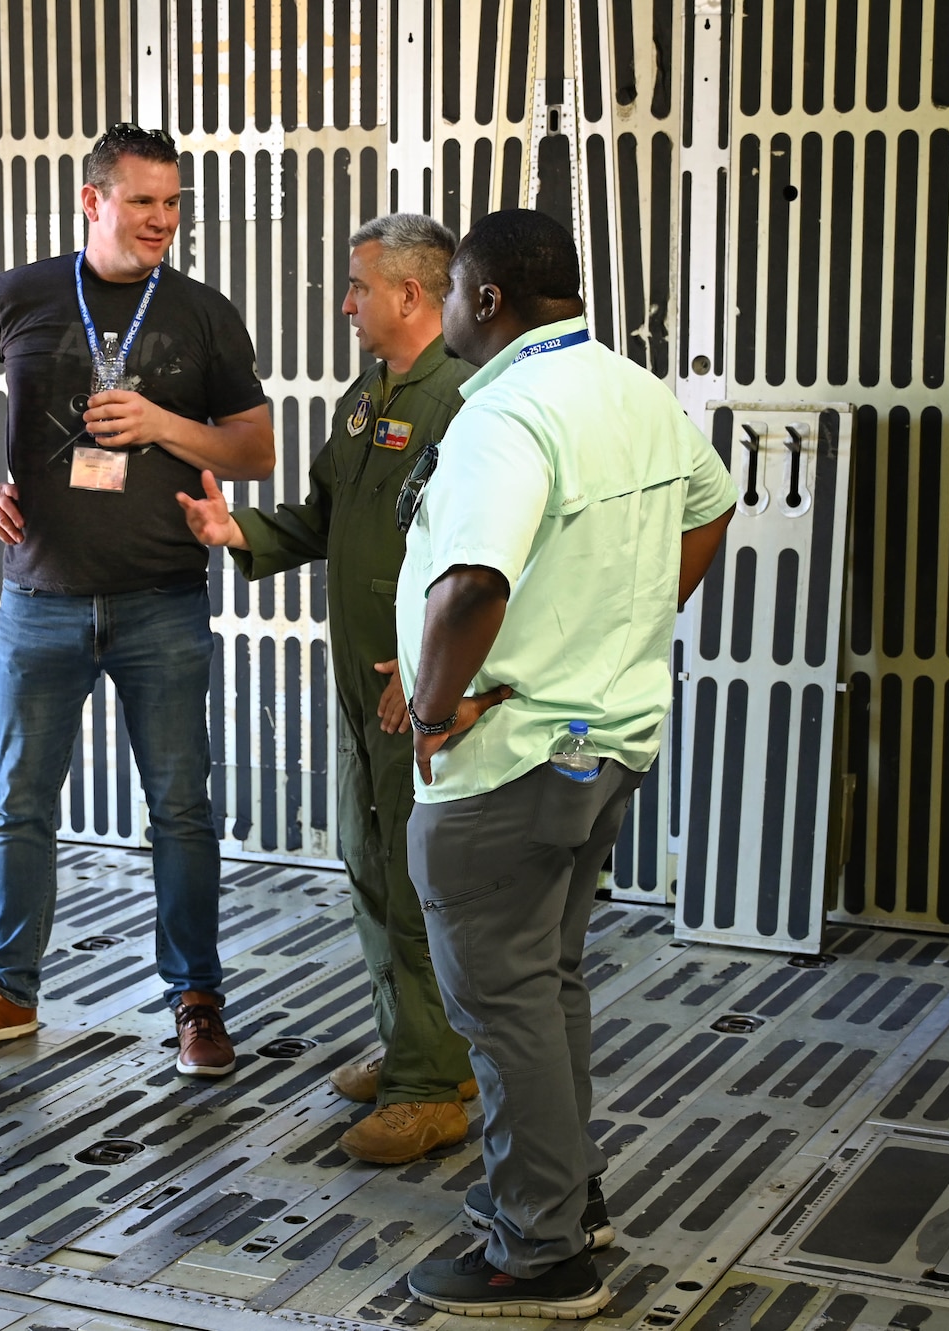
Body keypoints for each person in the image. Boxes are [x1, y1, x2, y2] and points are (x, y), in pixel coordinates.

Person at [393, 209, 736, 1318]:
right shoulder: (632, 390)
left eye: (448, 290)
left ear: (485, 299)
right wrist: (621, 629)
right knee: (547, 986)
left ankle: (538, 1250)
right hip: (601, 746)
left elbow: (471, 584)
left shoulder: (506, 411)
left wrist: (434, 710)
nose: (440, 310)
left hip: (509, 758)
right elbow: (710, 505)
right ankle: (566, 1199)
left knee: (500, 1003)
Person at [0, 125, 274, 1076]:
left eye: (174, 202)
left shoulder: (201, 312)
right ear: (93, 200)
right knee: (21, 803)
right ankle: (7, 992)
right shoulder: (23, 294)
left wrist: (160, 423)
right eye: (145, 201)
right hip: (43, 599)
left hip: (163, 599)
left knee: (181, 809)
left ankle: (196, 998)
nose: (162, 220)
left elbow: (256, 450)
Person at [178, 214, 477, 1164]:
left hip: (408, 682)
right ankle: (417, 1049)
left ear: (410, 295)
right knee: (366, 859)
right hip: (357, 678)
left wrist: (433, 675)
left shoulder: (463, 400)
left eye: (357, 287)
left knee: (413, 875)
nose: (345, 304)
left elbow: (481, 557)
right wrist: (241, 536)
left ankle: (435, 1086)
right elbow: (324, 515)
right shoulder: (368, 396)